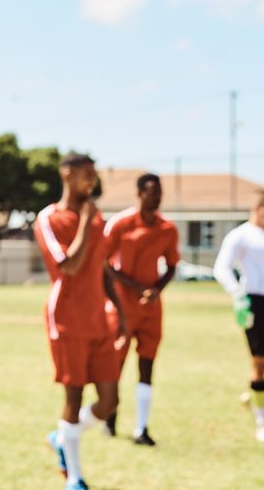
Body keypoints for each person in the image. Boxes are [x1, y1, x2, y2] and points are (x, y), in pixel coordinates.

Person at [34, 153, 125, 490]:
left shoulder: (96, 217)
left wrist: (121, 314)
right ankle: (75, 477)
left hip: (98, 318)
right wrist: (86, 222)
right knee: (73, 398)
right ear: (67, 174)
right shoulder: (49, 218)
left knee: (110, 401)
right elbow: (68, 267)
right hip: (67, 318)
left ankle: (61, 437)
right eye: (87, 175)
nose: (92, 181)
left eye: (94, 175)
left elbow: (101, 268)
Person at [101, 173, 179, 446]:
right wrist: (133, 286)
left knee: (147, 364)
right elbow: (104, 262)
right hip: (121, 304)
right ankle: (109, 416)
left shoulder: (167, 228)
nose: (156, 197)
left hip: (150, 306)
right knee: (116, 364)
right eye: (151, 192)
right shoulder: (121, 223)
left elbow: (171, 265)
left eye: (159, 192)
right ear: (139, 193)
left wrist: (156, 289)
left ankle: (141, 428)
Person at [213, 188, 264, 443]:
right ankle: (261, 416)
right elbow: (221, 266)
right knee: (260, 363)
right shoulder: (241, 235)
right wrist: (236, 293)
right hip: (254, 301)